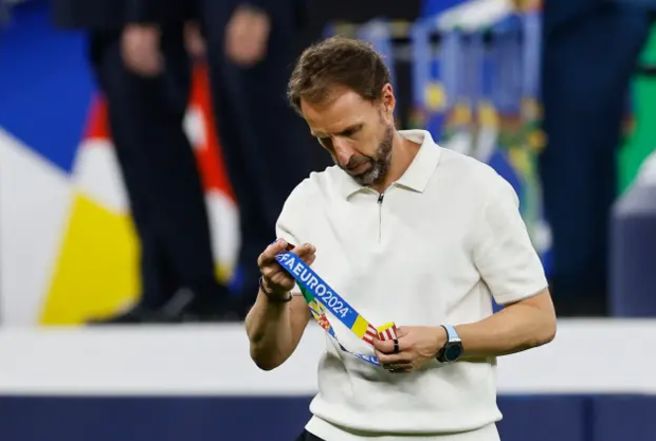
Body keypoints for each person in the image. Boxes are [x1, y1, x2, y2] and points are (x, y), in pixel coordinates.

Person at [245, 37, 557, 441]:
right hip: (333, 431)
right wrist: (272, 294)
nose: (343, 155)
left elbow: (538, 318)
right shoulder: (308, 201)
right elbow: (267, 356)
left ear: (386, 101)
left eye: (351, 131)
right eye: (324, 140)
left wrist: (444, 340)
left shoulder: (478, 189)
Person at [52, 0, 233, 322]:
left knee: (159, 151)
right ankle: (161, 288)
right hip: (114, 23)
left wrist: (145, 17)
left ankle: (196, 286)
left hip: (142, 19)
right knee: (139, 158)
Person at [540, 0, 656, 315]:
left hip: (595, 16)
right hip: (594, 17)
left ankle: (582, 287)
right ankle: (590, 282)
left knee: (575, 152)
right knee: (584, 151)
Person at [196, 0, 313, 314]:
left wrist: (260, 6)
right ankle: (260, 280)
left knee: (276, 150)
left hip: (258, 14)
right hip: (219, 14)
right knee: (242, 154)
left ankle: (307, 280)